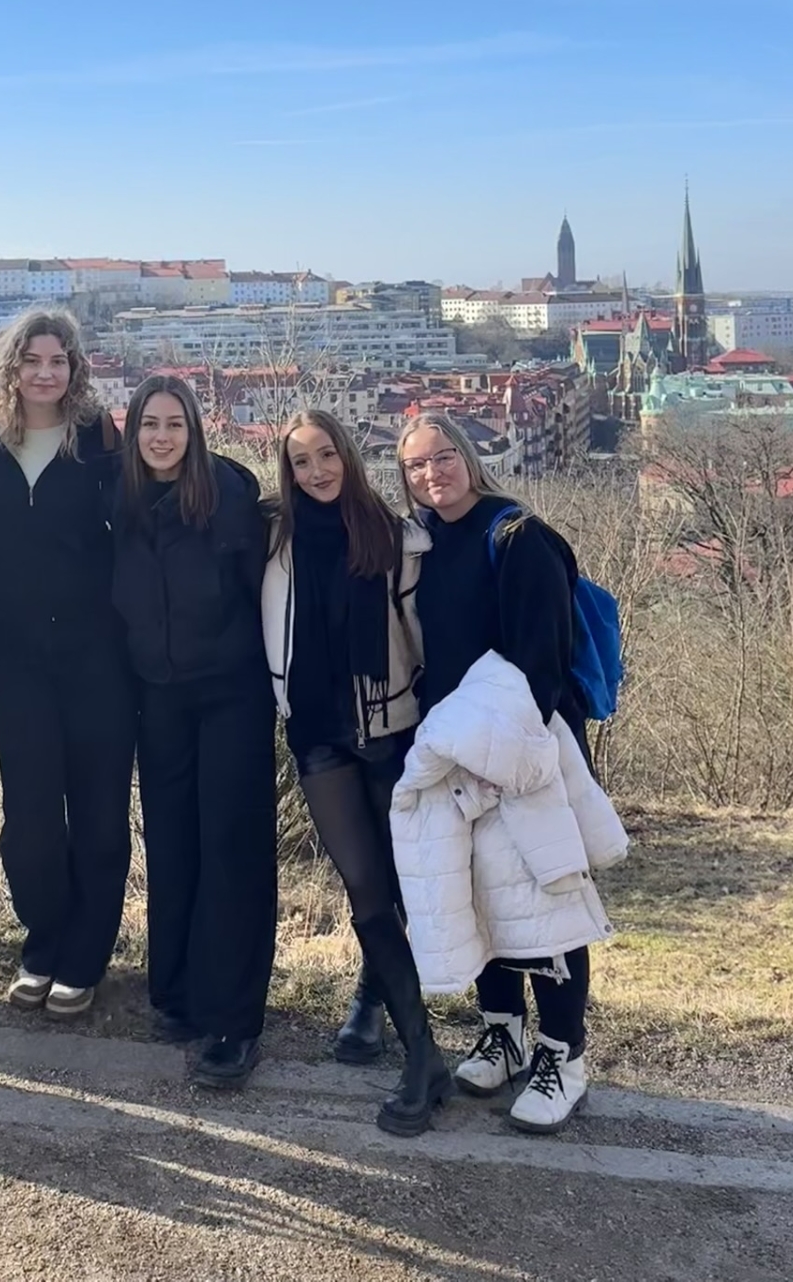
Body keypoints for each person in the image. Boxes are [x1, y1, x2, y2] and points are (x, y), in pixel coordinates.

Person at [397, 411, 603, 1134]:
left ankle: (563, 1054)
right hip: (457, 749)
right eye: (416, 465)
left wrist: (502, 761)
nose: (432, 474)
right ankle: (503, 1031)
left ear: (468, 456)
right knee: (484, 892)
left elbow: (542, 662)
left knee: (546, 896)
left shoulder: (518, 536)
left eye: (443, 457)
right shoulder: (427, 542)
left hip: (525, 748)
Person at [263, 409, 448, 1136]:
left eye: (326, 455)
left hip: (392, 731)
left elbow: (426, 637)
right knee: (365, 886)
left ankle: (373, 999)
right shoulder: (275, 541)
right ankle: (422, 1053)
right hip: (318, 736)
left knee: (400, 882)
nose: (316, 471)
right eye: (301, 461)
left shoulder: (396, 537)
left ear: (348, 454)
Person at [0, 309, 133, 1017]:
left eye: (59, 360)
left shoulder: (99, 436)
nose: (46, 373)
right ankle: (44, 939)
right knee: (28, 818)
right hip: (14, 656)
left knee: (100, 814)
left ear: (74, 367)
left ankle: (86, 953)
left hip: (98, 656)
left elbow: (140, 519)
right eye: (33, 360)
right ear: (12, 366)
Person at [111, 375, 276, 1091]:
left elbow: (261, 595)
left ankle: (235, 1020)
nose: (162, 437)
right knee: (173, 844)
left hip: (231, 693)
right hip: (159, 697)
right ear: (132, 432)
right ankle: (176, 992)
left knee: (232, 848)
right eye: (149, 424)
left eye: (174, 424)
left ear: (194, 431)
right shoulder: (119, 503)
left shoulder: (228, 498)